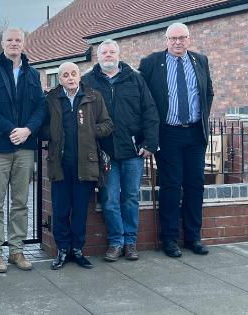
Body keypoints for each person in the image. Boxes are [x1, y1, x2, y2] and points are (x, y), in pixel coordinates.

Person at [138, 22, 214, 257]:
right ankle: (169, 239)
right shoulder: (152, 63)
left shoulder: (200, 60)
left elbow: (208, 92)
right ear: (166, 40)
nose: (178, 42)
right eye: (173, 38)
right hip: (168, 133)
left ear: (189, 39)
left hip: (195, 133)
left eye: (182, 38)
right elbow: (142, 98)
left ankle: (193, 237)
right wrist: (147, 135)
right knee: (171, 185)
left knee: (195, 184)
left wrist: (200, 117)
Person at [0, 28, 47, 273]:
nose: (14, 43)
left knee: (20, 202)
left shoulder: (33, 74)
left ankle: (17, 250)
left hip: (25, 146)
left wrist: (27, 130)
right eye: (10, 40)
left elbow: (41, 107)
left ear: (24, 44)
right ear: (2, 43)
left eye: (18, 40)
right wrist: (10, 130)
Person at [81, 39, 159, 262]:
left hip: (133, 151)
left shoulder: (135, 78)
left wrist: (150, 143)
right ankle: (116, 242)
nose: (108, 55)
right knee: (109, 199)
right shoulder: (88, 81)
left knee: (131, 197)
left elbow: (150, 111)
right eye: (104, 52)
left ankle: (131, 243)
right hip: (104, 152)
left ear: (118, 55)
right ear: (98, 56)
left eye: (112, 52)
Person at [42, 62, 112, 270]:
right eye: (65, 75)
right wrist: (52, 132)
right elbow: (41, 126)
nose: (70, 77)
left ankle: (78, 250)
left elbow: (108, 124)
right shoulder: (52, 98)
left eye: (74, 73)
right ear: (60, 79)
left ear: (79, 76)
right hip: (60, 163)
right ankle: (62, 250)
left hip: (85, 163)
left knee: (81, 210)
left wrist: (91, 130)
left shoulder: (93, 97)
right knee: (61, 210)